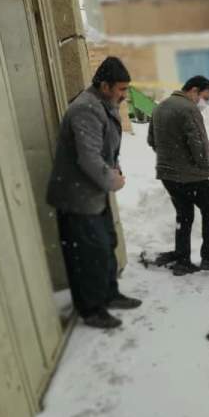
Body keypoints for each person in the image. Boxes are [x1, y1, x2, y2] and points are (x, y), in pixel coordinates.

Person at [46, 57, 142, 329]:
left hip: (94, 192)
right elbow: (88, 158)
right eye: (121, 89)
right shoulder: (85, 110)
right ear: (104, 85)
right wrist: (113, 180)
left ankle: (109, 294)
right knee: (87, 254)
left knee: (106, 243)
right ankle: (91, 309)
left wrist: (115, 169)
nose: (124, 95)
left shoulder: (104, 104)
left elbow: (107, 149)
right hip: (77, 197)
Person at [148, 75, 209, 276]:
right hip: (191, 176)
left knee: (184, 215)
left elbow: (151, 140)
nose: (205, 103)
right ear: (194, 90)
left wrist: (170, 158)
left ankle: (183, 260)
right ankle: (208, 257)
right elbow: (198, 143)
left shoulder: (160, 107)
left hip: (167, 174)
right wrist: (204, 166)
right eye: (205, 97)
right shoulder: (188, 109)